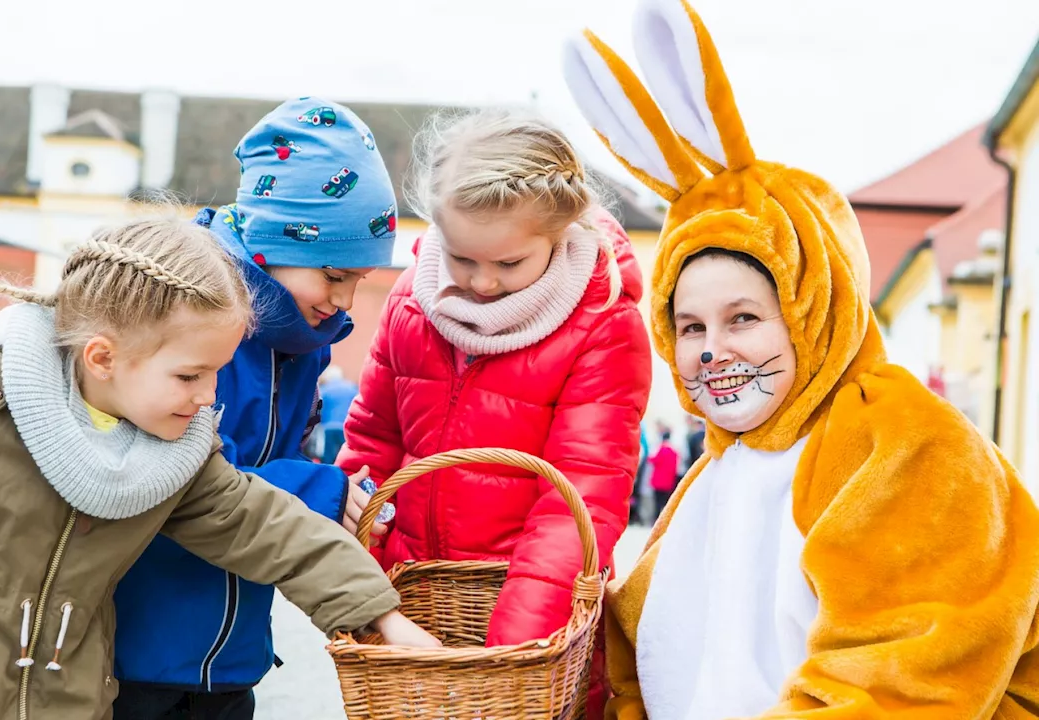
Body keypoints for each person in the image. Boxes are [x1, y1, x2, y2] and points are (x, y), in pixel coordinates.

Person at [563, 0, 1039, 716]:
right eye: (689, 327)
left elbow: (907, 669)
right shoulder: (713, 474)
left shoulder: (904, 442)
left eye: (745, 317)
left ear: (814, 310)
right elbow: (642, 652)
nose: (713, 349)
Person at [0, 216, 437, 720]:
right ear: (103, 358)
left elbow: (270, 528)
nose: (210, 396)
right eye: (190, 374)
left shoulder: (175, 457)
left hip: (64, 697)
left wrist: (381, 616)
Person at [336, 108, 652, 717]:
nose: (480, 284)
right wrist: (368, 590)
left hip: (535, 636)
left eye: (508, 264)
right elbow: (373, 440)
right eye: (462, 259)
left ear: (559, 232)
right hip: (417, 616)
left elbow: (579, 499)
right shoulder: (412, 300)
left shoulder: (601, 323)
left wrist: (511, 658)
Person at [111, 99, 399, 720]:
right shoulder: (191, 322)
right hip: (135, 655)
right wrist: (318, 494)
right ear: (272, 239)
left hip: (231, 659)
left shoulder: (301, 346)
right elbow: (175, 482)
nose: (346, 301)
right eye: (334, 275)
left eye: (359, 282)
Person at [649, 430, 679, 522]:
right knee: (665, 502)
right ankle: (664, 521)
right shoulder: (674, 452)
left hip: (658, 481)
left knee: (657, 502)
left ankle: (656, 519)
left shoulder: (661, 449)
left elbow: (653, 460)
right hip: (668, 482)